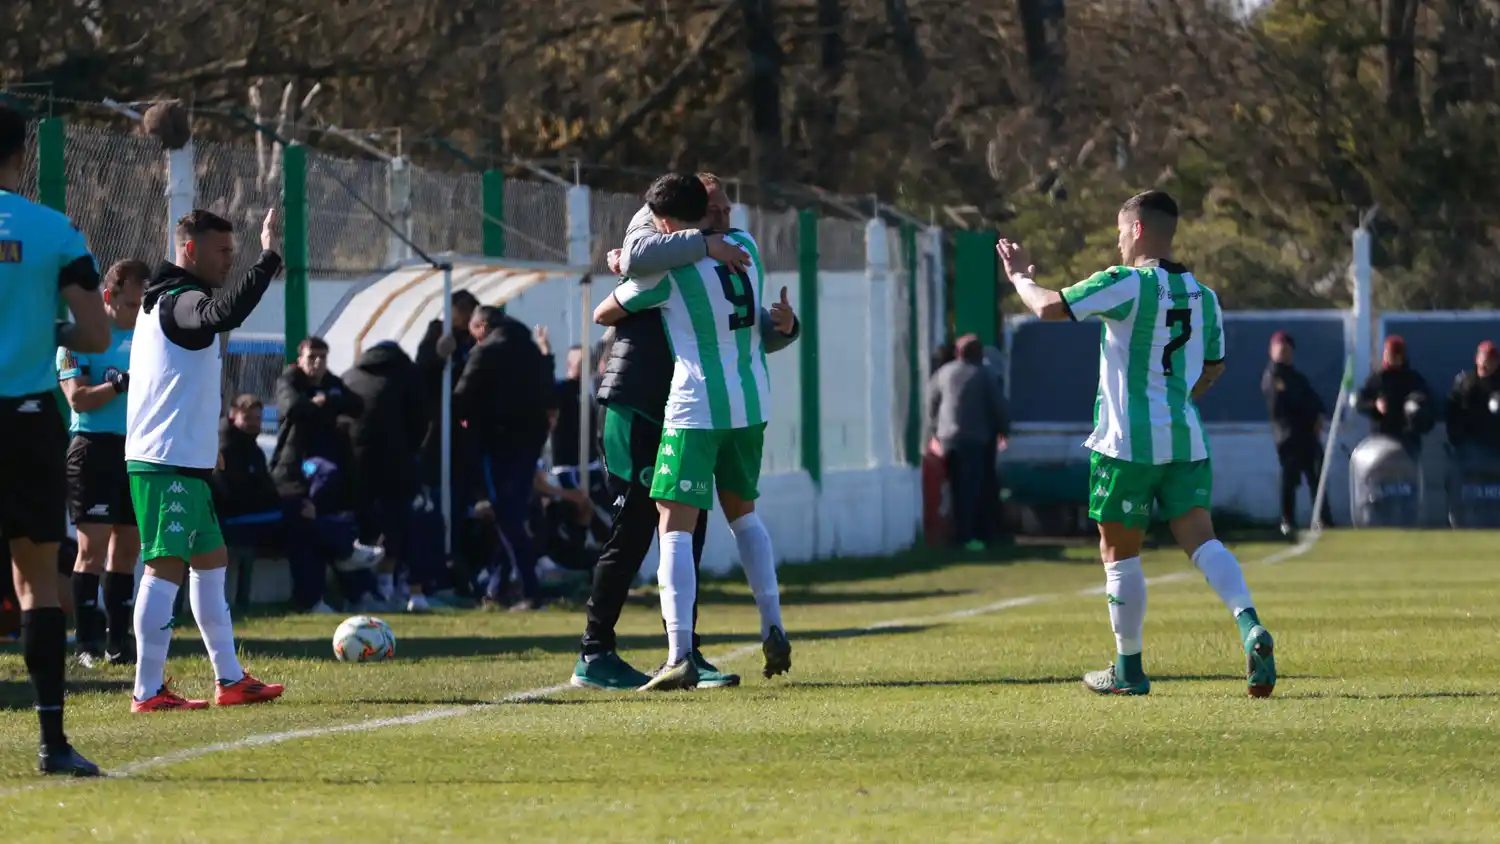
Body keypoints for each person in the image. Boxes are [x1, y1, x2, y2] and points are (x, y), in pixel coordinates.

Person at [996, 189, 1277, 698]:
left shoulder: (1125, 283)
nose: (1118, 240)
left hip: (1125, 444)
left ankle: (1129, 670)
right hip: (1186, 440)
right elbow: (1213, 365)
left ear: (1139, 230)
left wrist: (1019, 276)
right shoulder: (1204, 296)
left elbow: (1047, 308)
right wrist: (1179, 400)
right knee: (1202, 538)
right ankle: (1249, 624)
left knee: (1119, 553)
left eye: (1121, 230)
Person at [571, 173, 800, 692]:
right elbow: (628, 265)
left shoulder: (720, 252)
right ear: (683, 215)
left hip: (686, 404)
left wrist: (787, 328)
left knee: (686, 527)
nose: (722, 219)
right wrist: (698, 247)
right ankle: (595, 649)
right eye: (712, 210)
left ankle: (685, 651)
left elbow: (746, 324)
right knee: (632, 529)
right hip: (637, 396)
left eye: (725, 211)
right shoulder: (659, 232)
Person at [125, 208, 286, 712]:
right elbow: (221, 316)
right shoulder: (178, 301)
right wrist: (267, 262)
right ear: (189, 249)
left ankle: (230, 679)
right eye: (222, 252)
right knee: (164, 569)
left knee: (211, 566)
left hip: (185, 462)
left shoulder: (169, 301)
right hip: (163, 462)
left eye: (233, 253)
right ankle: (147, 689)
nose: (228, 261)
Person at [0, 103, 111, 775]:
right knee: (38, 580)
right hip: (26, 420)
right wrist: (49, 330)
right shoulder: (54, 230)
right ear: (20, 153)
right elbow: (96, 336)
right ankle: (51, 744)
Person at [57, 259, 150, 668]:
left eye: (143, 306)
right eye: (131, 305)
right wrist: (119, 383)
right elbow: (77, 399)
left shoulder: (151, 338)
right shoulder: (77, 341)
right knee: (91, 550)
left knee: (127, 551)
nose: (137, 314)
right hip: (93, 449)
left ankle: (119, 642)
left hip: (137, 450)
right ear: (108, 297)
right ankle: (86, 643)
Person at [454, 305, 554, 610]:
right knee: (511, 514)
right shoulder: (530, 350)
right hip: (531, 442)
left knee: (506, 514)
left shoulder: (485, 352)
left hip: (497, 444)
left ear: (481, 326)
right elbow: (550, 395)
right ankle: (498, 588)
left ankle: (530, 590)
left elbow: (461, 397)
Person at [342, 339, 432, 611]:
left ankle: (367, 590)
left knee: (365, 529)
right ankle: (401, 589)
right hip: (396, 464)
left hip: (356, 465)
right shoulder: (407, 374)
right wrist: (406, 448)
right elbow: (421, 419)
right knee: (402, 527)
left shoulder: (351, 375)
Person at [927, 333, 1009, 550]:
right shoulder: (984, 374)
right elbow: (997, 406)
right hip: (974, 440)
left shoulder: (944, 373)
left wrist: (934, 429)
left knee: (952, 488)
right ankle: (969, 535)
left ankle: (952, 533)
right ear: (979, 353)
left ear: (957, 352)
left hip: (946, 439)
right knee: (972, 489)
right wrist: (1004, 430)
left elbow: (931, 401)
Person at [1261, 330, 1333, 537]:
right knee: (1290, 480)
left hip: (1308, 436)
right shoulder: (1272, 377)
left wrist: (1318, 415)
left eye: (1286, 349)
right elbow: (1285, 404)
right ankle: (1287, 520)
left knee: (1316, 478)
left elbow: (1314, 400)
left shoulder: (1297, 377)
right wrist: (1308, 413)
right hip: (1288, 436)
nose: (1283, 353)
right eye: (1279, 349)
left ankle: (1323, 519)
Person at [1355, 335, 1433, 457]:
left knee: (1407, 473)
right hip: (1382, 439)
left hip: (1408, 440)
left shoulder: (1413, 379)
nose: (1394, 359)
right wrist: (1375, 405)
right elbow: (1359, 403)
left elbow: (1429, 402)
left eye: (1397, 355)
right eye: (1390, 355)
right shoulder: (1377, 379)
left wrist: (1417, 407)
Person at [1445, 340, 1500, 457]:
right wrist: (1456, 439)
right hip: (1470, 444)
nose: (1485, 365)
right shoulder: (1465, 382)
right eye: (1483, 360)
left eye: (1490, 361)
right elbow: (1453, 411)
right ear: (1476, 359)